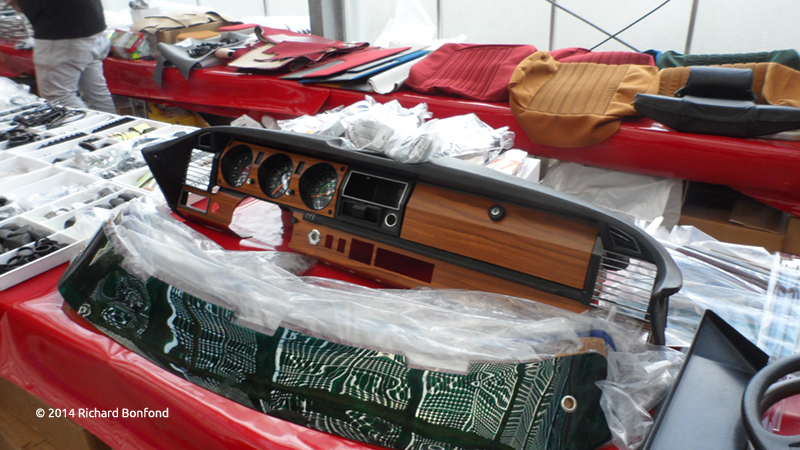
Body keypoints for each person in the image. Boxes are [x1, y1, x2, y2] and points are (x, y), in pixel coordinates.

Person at [8, 0, 117, 114]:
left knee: (58, 95)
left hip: (63, 33)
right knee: (95, 92)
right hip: (89, 25)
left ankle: (92, 124)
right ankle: (113, 124)